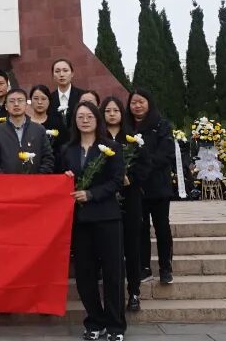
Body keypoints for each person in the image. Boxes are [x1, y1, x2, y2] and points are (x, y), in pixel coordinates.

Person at [60, 101, 126, 341]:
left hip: (107, 218)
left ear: (97, 119)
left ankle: (116, 326)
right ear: (75, 121)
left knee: (113, 273)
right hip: (80, 221)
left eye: (89, 116)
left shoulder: (111, 147)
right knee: (85, 274)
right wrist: (65, 178)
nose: (85, 120)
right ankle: (95, 322)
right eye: (80, 116)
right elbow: (59, 179)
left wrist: (91, 194)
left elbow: (116, 181)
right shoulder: (67, 150)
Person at [103, 96, 150, 312]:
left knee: (132, 247)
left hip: (130, 198)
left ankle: (134, 292)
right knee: (110, 250)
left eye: (115, 110)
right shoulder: (98, 138)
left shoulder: (133, 138)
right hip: (106, 200)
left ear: (122, 114)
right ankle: (113, 294)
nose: (112, 114)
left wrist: (131, 178)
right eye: (108, 111)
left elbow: (145, 165)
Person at [124, 87, 175, 285]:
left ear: (149, 103)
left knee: (162, 227)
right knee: (140, 228)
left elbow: (166, 154)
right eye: (133, 102)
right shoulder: (127, 126)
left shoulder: (161, 125)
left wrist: (144, 166)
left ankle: (165, 267)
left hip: (158, 185)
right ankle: (144, 267)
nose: (137, 106)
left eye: (141, 102)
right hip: (136, 186)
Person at [0, 88, 55, 174]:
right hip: (6, 181)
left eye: (20, 100)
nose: (16, 104)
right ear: (6, 106)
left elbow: (48, 158)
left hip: (35, 180)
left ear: (26, 105)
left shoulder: (39, 129)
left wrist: (38, 178)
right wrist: (4, 179)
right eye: (12, 101)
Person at [29, 84, 67, 156]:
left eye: (43, 99)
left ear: (49, 101)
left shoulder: (57, 123)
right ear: (31, 100)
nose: (39, 102)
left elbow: (63, 147)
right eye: (36, 98)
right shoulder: (25, 123)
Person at [50, 58, 85, 130]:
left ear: (72, 74)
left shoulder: (82, 96)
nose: (61, 74)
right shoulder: (49, 98)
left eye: (65, 70)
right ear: (53, 76)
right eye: (57, 71)